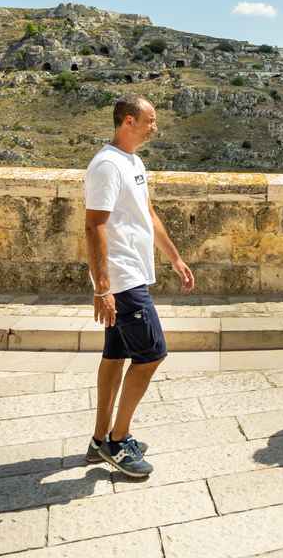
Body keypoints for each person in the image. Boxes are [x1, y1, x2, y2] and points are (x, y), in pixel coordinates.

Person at [84, 95, 195, 478]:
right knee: (152, 353)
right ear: (128, 121)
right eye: (150, 120)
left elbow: (147, 213)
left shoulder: (134, 162)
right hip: (122, 279)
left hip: (133, 273)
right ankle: (119, 439)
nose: (155, 126)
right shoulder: (106, 166)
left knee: (115, 355)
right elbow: (94, 224)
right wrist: (103, 287)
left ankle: (100, 439)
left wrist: (175, 258)